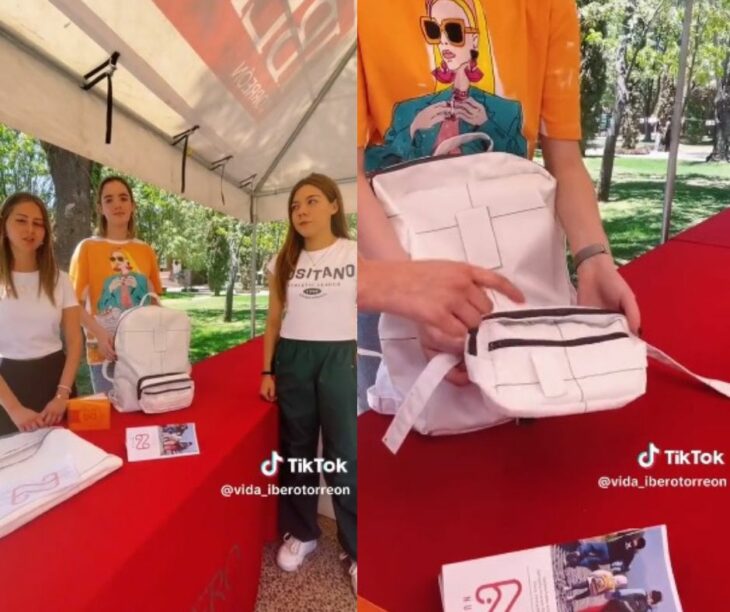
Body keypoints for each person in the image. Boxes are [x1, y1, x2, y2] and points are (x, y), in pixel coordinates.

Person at [358, 0, 641, 395]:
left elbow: (566, 160)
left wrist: (593, 259)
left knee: (528, 423)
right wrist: (409, 290)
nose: (444, 43)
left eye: (454, 32)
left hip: (517, 277)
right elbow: (346, 174)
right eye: (432, 31)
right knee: (403, 426)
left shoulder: (547, 10)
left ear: (472, 40)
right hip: (397, 269)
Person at [259, 173, 357, 593]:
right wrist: (267, 370)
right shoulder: (283, 261)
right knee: (298, 448)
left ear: (335, 206)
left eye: (312, 201)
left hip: (342, 358)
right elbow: (274, 320)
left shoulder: (356, 253)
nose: (301, 211)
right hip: (294, 358)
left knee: (344, 453)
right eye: (295, 206)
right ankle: (303, 532)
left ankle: (355, 547)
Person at [69, 176, 163, 395]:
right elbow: (73, 305)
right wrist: (100, 335)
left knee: (145, 412)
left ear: (133, 205)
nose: (117, 204)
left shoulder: (145, 251)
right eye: (109, 199)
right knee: (112, 420)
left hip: (142, 352)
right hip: (104, 355)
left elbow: (154, 303)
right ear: (100, 208)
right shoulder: (87, 248)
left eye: (123, 198)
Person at [0, 193, 82, 436]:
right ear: (4, 225)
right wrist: (14, 409)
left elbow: (75, 341)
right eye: (21, 220)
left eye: (38, 223)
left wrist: (62, 395)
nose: (30, 229)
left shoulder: (61, 280)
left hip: (56, 382)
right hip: (8, 387)